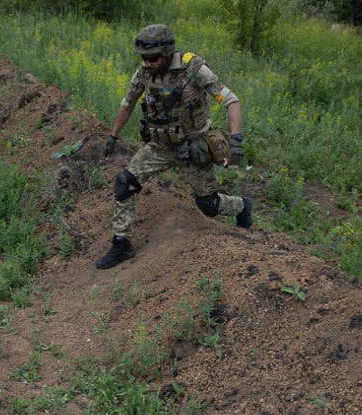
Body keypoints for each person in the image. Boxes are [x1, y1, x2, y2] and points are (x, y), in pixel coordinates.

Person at [96, 24, 252, 270]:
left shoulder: (194, 71)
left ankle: (242, 206)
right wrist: (113, 136)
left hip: (194, 147)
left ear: (167, 53)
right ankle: (122, 245)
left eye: (153, 58)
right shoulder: (144, 73)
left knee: (208, 205)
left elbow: (230, 100)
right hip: (160, 146)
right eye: (144, 58)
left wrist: (236, 139)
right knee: (125, 182)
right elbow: (127, 104)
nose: (148, 63)